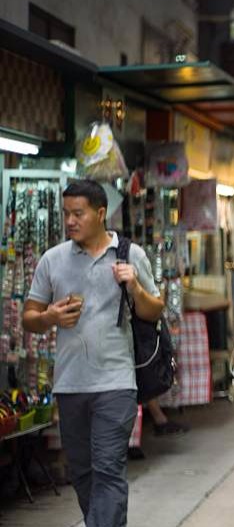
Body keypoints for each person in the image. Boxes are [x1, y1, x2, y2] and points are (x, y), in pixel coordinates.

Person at [23, 179, 164, 527]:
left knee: (108, 468)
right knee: (83, 472)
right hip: (70, 384)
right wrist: (49, 317)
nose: (70, 221)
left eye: (78, 213)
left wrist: (134, 286)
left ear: (101, 214)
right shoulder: (52, 260)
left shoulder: (131, 255)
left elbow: (155, 310)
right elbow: (29, 318)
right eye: (66, 213)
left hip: (116, 382)